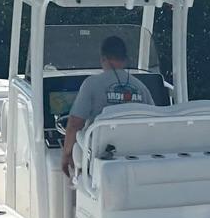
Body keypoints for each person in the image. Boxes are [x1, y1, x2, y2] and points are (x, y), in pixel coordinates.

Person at [61, 34, 153, 175]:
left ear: (103, 58)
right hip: (136, 157)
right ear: (125, 60)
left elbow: (74, 124)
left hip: (101, 158)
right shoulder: (141, 87)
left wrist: (66, 154)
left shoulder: (91, 84)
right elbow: (153, 122)